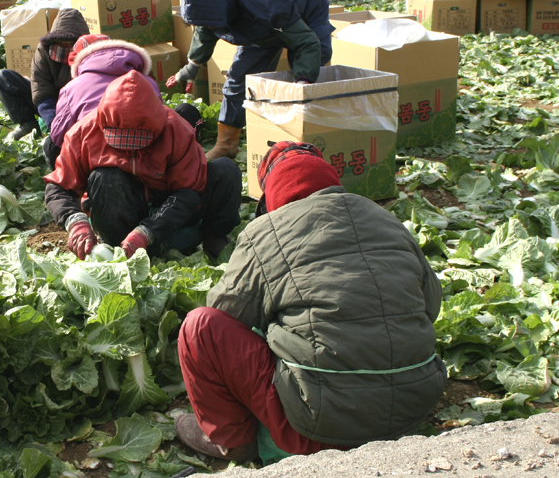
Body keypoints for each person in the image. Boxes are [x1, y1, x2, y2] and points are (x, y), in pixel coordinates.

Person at [175, 141, 445, 464]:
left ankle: (237, 445)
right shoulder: (387, 220)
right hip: (411, 407)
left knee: (199, 329)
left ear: (272, 196)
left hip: (316, 426)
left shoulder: (267, 232)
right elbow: (432, 306)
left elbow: (224, 315)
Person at [44, 70, 242, 259]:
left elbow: (188, 193)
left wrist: (147, 232)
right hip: (122, 208)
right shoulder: (84, 132)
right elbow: (58, 187)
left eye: (141, 140)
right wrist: (75, 221)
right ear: (104, 122)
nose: (130, 149)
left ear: (158, 124)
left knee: (225, 169)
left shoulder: (177, 129)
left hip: (169, 212)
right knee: (104, 176)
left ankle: (213, 237)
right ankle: (118, 245)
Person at [166, 0, 333, 161]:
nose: (211, 28)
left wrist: (304, 83)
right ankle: (226, 144)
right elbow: (205, 30)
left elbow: (307, 42)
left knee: (309, 73)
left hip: (305, 2)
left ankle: (315, 136)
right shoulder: (204, 0)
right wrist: (192, 66)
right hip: (256, 24)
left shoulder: (264, 1)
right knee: (239, 80)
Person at [48, 33, 158, 167]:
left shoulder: (73, 87)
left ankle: (65, 184)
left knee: (50, 145)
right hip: (145, 161)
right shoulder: (149, 83)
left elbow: (58, 136)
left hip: (94, 161)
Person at [0, 9, 88, 141]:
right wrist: (53, 124)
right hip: (50, 100)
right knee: (3, 77)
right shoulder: (45, 49)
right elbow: (41, 88)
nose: (65, 46)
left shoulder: (90, 52)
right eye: (61, 42)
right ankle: (28, 124)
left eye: (70, 43)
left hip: (77, 109)